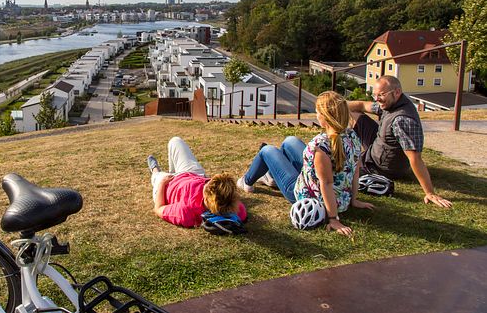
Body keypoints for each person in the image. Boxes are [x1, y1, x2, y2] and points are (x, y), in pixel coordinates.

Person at [237, 91, 374, 236]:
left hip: (309, 197)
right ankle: (272, 176)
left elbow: (326, 184)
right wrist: (353, 200)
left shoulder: (320, 146)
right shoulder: (352, 136)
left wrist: (333, 219)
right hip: (341, 198)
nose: (316, 115)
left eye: (317, 113)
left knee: (267, 150)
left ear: (324, 117)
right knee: (289, 141)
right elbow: (355, 171)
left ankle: (247, 181)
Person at [347, 75, 452, 208]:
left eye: (381, 95)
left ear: (397, 92)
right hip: (381, 145)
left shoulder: (402, 120)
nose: (377, 99)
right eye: (375, 95)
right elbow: (362, 105)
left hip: (382, 166)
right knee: (353, 113)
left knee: (344, 165)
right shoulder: (391, 103)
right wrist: (337, 105)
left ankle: (347, 150)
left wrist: (429, 192)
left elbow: (415, 158)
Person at [148, 136, 247, 228]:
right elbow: (240, 210)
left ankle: (154, 169)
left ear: (207, 200)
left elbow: (158, 208)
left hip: (168, 185)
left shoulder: (186, 211)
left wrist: (162, 184)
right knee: (175, 141)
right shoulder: (237, 209)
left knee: (157, 176)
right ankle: (172, 171)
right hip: (193, 174)